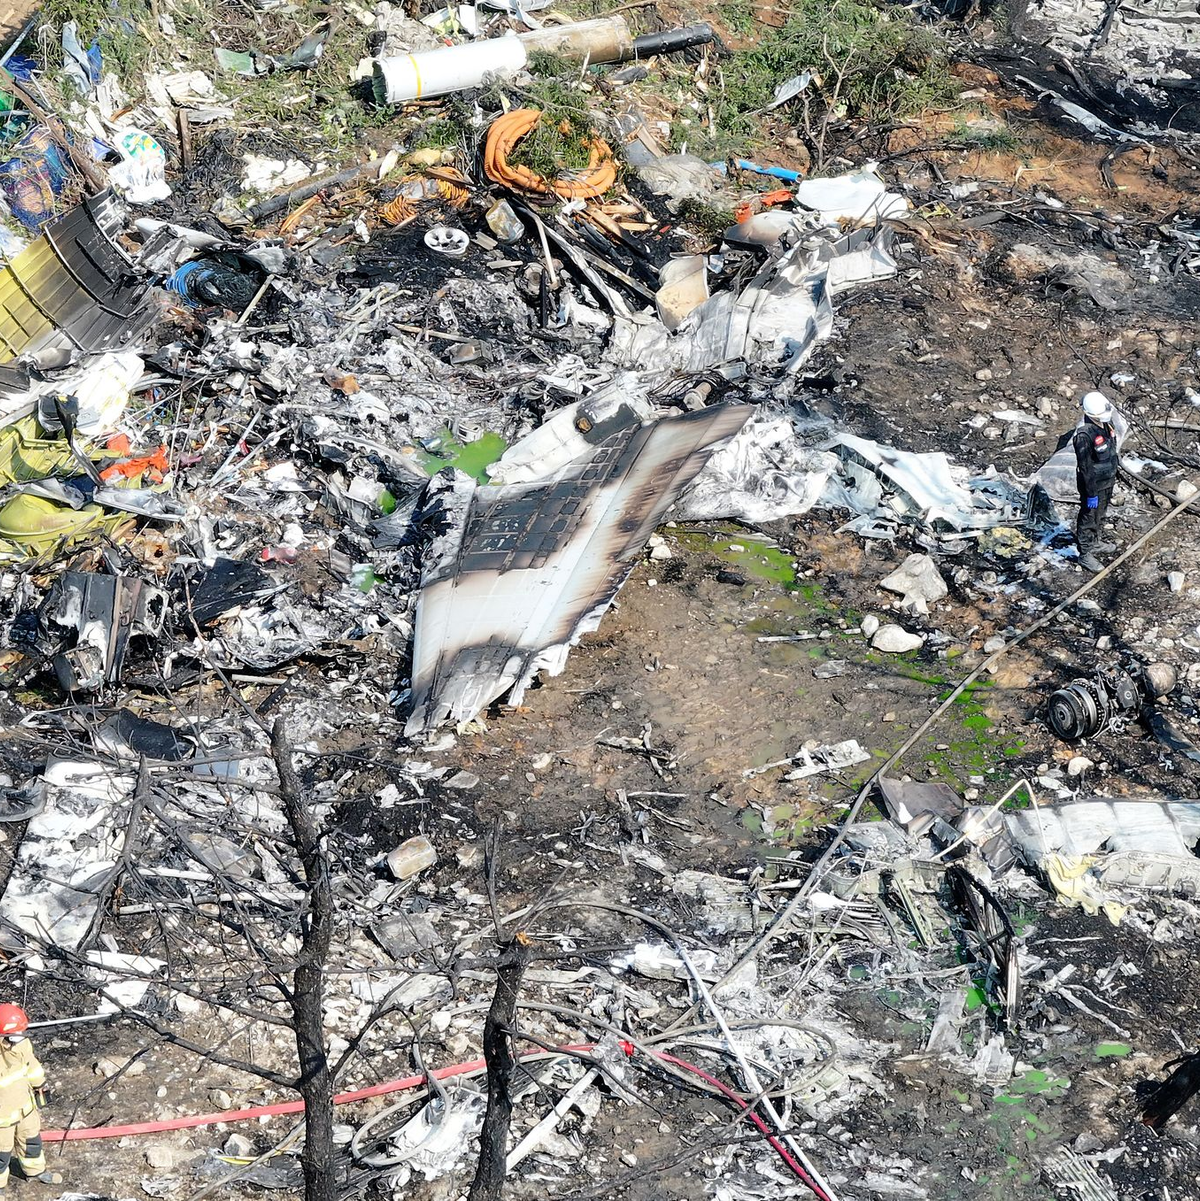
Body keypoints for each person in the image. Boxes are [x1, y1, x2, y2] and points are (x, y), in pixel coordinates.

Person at [0, 1005, 61, 1194]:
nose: (20, 1035)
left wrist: (39, 1085)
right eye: (15, 1032)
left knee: (31, 1141)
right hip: (2, 1118)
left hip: (25, 1108)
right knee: (1, 1152)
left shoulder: (22, 1045)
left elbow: (31, 1066)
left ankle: (35, 1171)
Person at [1072, 390, 1128, 572]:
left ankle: (1095, 541)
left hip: (1107, 480)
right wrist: (1090, 493)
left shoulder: (1105, 424)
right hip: (1093, 484)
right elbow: (1085, 468)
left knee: (1100, 514)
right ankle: (1085, 553)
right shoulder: (1084, 436)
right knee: (1089, 516)